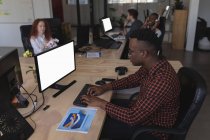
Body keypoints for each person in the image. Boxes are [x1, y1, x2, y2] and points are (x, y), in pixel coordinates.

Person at [81, 28, 180, 140]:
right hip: (141, 113)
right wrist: (104, 87)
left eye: (131, 51)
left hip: (150, 131)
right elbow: (132, 79)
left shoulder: (161, 81)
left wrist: (101, 103)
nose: (128, 55)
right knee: (100, 110)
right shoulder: (154, 64)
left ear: (143, 53)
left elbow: (132, 117)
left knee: (94, 126)